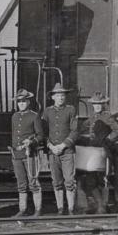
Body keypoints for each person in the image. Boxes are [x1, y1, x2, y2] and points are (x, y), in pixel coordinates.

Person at [75, 93, 118, 214]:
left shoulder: (108, 117)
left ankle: (101, 206)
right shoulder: (91, 118)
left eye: (100, 104)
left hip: (102, 152)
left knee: (100, 179)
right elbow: (84, 132)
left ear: (103, 105)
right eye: (95, 104)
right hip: (91, 152)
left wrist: (107, 140)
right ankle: (98, 205)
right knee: (90, 179)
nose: (97, 106)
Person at [41, 83, 79, 215]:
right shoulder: (47, 111)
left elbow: (74, 131)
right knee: (56, 181)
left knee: (69, 181)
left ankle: (71, 209)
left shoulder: (71, 110)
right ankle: (60, 208)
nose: (61, 97)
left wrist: (63, 145)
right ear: (53, 97)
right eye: (58, 95)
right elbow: (43, 132)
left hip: (67, 151)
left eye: (63, 95)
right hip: (53, 152)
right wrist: (51, 146)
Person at [10, 89, 46, 217]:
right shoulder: (14, 116)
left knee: (33, 182)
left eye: (23, 101)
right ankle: (22, 209)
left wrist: (31, 142)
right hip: (17, 155)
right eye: (19, 101)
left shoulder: (34, 115)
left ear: (28, 102)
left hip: (30, 154)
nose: (21, 104)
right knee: (21, 183)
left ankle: (38, 210)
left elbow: (40, 135)